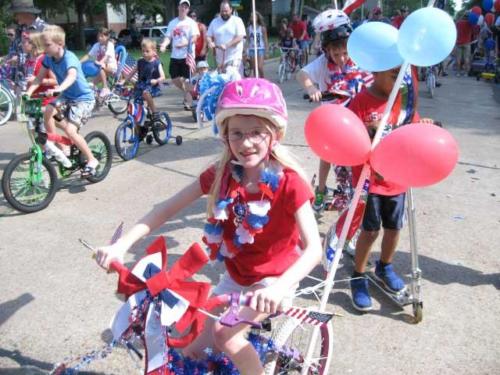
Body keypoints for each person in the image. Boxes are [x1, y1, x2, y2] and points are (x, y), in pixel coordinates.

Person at [94, 78, 322, 374]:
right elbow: (164, 209)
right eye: (236, 133)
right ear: (225, 136)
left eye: (256, 132)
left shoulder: (290, 183)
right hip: (237, 277)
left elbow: (314, 249)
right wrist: (121, 245)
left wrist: (278, 288)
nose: (246, 142)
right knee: (192, 351)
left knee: (225, 335)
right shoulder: (221, 174)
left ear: (275, 135)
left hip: (275, 279)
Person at [347, 65, 431, 311]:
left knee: (394, 228)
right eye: (394, 76)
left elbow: (411, 130)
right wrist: (368, 134)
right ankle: (358, 275)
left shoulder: (403, 102)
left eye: (402, 77)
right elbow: (351, 138)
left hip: (397, 178)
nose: (399, 82)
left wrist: (422, 126)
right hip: (370, 180)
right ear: (376, 71)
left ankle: (385, 265)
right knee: (370, 231)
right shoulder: (361, 102)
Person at [297, 9, 372, 213]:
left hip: (356, 122)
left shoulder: (359, 60)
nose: (341, 58)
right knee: (326, 156)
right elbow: (302, 74)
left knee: (359, 161)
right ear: (327, 51)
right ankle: (321, 190)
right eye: (335, 53)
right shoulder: (322, 64)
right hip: (331, 123)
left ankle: (354, 198)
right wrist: (311, 88)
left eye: (345, 52)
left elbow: (372, 82)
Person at [25, 25, 98, 177]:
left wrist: (59, 89)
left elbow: (71, 76)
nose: (44, 48)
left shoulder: (69, 58)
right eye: (43, 44)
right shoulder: (48, 58)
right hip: (66, 96)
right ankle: (59, 146)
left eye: (48, 45)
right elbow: (39, 78)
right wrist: (29, 92)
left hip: (83, 99)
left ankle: (92, 160)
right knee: (47, 111)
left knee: (71, 131)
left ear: (60, 44)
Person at [160, 0, 199, 110]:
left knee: (187, 80)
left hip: (187, 56)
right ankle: (188, 92)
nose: (183, 8)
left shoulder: (191, 23)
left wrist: (186, 43)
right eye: (182, 6)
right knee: (174, 79)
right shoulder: (173, 23)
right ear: (178, 7)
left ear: (188, 9)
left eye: (186, 7)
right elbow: (168, 37)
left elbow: (195, 37)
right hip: (175, 56)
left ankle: (189, 103)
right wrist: (163, 45)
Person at [124, 38, 166, 123]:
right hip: (141, 86)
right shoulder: (140, 61)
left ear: (154, 51)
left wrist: (156, 80)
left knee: (145, 93)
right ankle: (140, 121)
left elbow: (163, 77)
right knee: (136, 104)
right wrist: (124, 81)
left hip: (153, 87)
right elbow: (132, 72)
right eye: (143, 51)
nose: (144, 53)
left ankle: (155, 112)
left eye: (147, 51)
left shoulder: (156, 63)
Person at [207, 1, 246, 77]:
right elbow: (208, 35)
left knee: (232, 77)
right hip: (220, 60)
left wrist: (227, 45)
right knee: (223, 81)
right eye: (222, 11)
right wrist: (210, 42)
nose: (224, 13)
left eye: (226, 11)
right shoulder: (214, 22)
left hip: (234, 56)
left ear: (231, 10)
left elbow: (240, 37)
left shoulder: (237, 21)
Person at [80, 27, 117, 98]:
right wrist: (78, 62)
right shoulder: (96, 45)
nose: (99, 38)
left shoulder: (110, 45)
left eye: (102, 36)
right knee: (91, 84)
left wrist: (100, 62)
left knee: (101, 66)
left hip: (111, 68)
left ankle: (105, 88)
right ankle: (97, 100)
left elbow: (106, 56)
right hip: (100, 69)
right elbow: (88, 55)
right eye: (98, 36)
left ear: (107, 36)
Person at [23, 31, 57, 106]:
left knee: (50, 117)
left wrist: (37, 80)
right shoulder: (28, 61)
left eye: (24, 42)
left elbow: (56, 81)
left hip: (47, 101)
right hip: (33, 101)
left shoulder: (45, 59)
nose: (21, 45)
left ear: (33, 44)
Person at [246, 11, 268, 78]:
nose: (253, 18)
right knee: (254, 67)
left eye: (254, 16)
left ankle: (263, 80)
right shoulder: (248, 28)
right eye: (251, 16)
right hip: (252, 49)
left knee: (259, 67)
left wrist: (266, 51)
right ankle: (256, 81)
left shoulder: (262, 28)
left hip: (260, 49)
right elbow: (247, 40)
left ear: (257, 18)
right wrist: (246, 51)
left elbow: (265, 40)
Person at [454, 12, 475, 76]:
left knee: (458, 58)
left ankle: (458, 73)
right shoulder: (470, 24)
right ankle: (466, 73)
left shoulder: (458, 23)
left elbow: (455, 31)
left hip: (459, 43)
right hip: (467, 43)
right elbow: (473, 32)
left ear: (463, 16)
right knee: (466, 58)